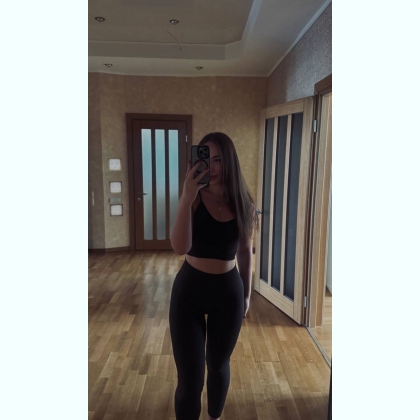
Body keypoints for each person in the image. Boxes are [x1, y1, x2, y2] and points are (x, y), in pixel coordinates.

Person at [169, 132, 260, 420]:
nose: (213, 166)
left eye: (219, 159)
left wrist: (247, 294)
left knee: (218, 365)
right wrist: (186, 198)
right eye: (208, 158)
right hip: (189, 293)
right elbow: (180, 247)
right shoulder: (193, 198)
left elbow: (245, 251)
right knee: (190, 378)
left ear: (229, 161)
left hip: (228, 293)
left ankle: (214, 417)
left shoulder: (244, 202)